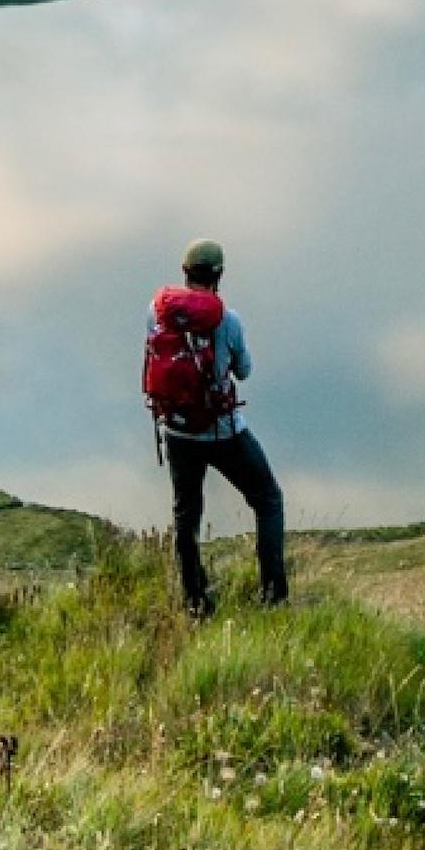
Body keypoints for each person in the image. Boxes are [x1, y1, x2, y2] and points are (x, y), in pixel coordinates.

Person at [144, 236, 288, 614]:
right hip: (224, 432)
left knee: (186, 515)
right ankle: (273, 596)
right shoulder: (228, 320)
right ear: (219, 274)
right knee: (268, 500)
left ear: (185, 272)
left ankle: (195, 601)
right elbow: (244, 370)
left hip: (177, 432)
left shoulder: (155, 312)